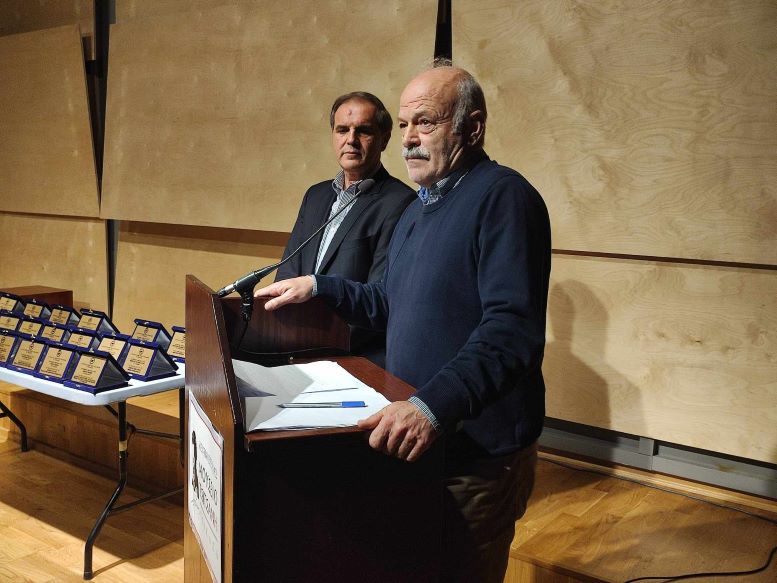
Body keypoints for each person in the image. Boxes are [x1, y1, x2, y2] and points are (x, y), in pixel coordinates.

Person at [256, 63, 551, 583]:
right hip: (416, 435)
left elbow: (511, 332)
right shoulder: (418, 209)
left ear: (472, 128)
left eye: (427, 122)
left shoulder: (504, 197)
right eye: (407, 124)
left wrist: (431, 406)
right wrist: (321, 287)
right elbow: (386, 302)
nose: (411, 138)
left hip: (473, 451)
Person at [275, 92, 415, 366]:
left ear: (384, 139)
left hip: (352, 357)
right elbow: (288, 272)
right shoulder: (315, 196)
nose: (351, 139)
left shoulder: (400, 203)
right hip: (298, 350)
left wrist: (319, 343)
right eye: (342, 130)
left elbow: (381, 299)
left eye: (363, 131)